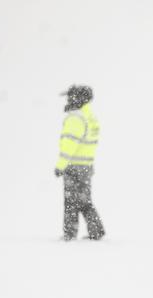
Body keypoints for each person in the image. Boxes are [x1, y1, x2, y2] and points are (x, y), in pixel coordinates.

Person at [54, 84, 105, 241]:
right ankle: (96, 231)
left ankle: (69, 234)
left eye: (71, 96)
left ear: (78, 98)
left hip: (73, 166)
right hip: (86, 166)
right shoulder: (90, 117)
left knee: (70, 201)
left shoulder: (75, 118)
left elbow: (69, 144)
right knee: (84, 200)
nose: (68, 100)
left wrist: (60, 165)